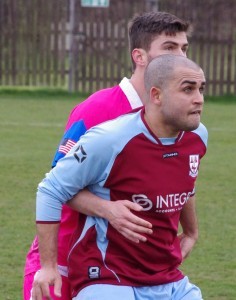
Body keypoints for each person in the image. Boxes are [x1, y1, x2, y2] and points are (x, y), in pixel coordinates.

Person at [24, 11, 191, 300]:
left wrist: (191, 230)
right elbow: (54, 187)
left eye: (184, 48)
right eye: (169, 48)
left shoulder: (174, 116)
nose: (181, 57)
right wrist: (107, 209)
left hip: (120, 273)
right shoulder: (98, 109)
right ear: (139, 57)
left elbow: (184, 178)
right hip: (64, 260)